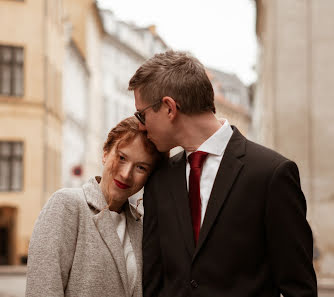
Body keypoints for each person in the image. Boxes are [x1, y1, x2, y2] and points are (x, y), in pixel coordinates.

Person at [128, 50, 317, 297]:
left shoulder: (271, 175)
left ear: (169, 108)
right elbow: (153, 284)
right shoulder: (159, 180)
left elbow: (299, 288)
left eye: (142, 115)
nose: (141, 126)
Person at [25, 116, 166, 297]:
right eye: (122, 158)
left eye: (141, 168)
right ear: (106, 153)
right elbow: (42, 290)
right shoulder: (66, 205)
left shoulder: (141, 225)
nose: (125, 174)